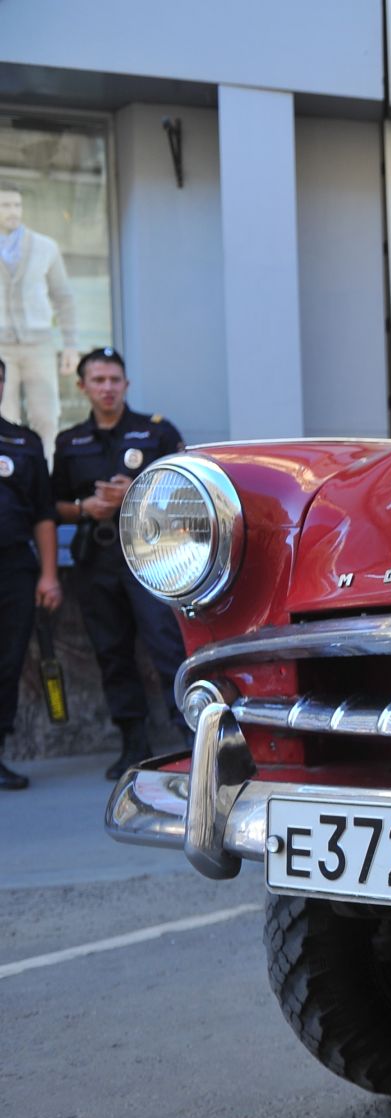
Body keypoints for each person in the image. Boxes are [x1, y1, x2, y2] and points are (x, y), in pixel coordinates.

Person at [51, 348, 188, 781]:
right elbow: (52, 505)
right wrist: (86, 506)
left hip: (152, 557)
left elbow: (186, 491)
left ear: (126, 384)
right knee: (111, 653)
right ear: (83, 388)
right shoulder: (70, 441)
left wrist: (137, 492)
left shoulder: (157, 433)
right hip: (98, 560)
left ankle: (192, 739)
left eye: (114, 379)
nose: (107, 388)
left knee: (168, 646)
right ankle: (133, 743)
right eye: (98, 380)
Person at [0, 355, 63, 789]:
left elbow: (43, 514)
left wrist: (49, 574)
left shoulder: (22, 443)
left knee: (7, 664)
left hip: (14, 569)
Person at [0, 185, 81, 460]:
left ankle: (47, 478)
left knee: (46, 415)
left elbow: (64, 297)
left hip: (39, 342)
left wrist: (70, 345)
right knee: (4, 415)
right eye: (5, 206)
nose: (12, 212)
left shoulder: (45, 247)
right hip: (1, 346)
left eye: (16, 205)